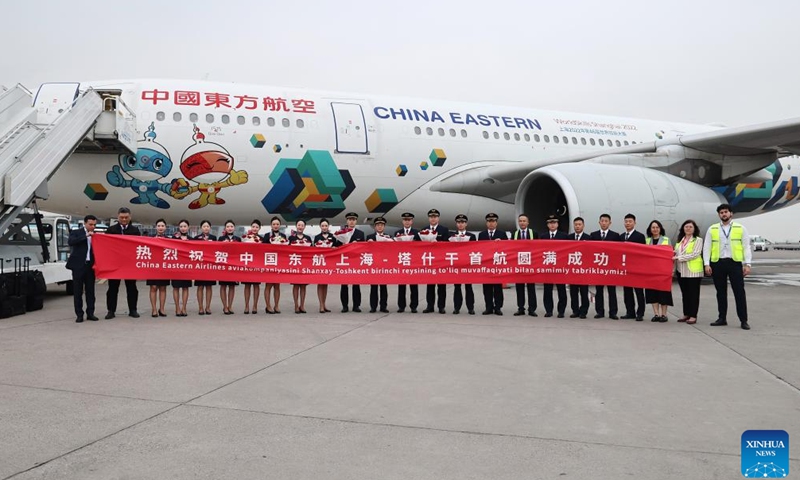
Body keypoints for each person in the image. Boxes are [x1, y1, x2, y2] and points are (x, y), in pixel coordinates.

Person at [703, 203, 752, 330]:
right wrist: (706, 264)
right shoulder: (712, 229)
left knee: (739, 292)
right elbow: (707, 247)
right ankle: (722, 318)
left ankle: (743, 320)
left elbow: (746, 247)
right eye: (721, 212)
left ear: (731, 213)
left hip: (734, 262)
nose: (723, 214)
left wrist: (748, 264)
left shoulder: (741, 228)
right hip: (718, 262)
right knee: (720, 292)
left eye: (725, 212)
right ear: (719, 215)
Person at [104, 207, 140, 319]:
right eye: (121, 217)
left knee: (132, 288)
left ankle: (133, 310)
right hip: (115, 264)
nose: (124, 219)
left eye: (126, 217)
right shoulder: (111, 230)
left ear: (130, 217)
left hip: (129, 264)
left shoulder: (135, 230)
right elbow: (105, 245)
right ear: (118, 217)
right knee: (112, 288)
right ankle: (111, 311)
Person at [67, 214, 99, 323]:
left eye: (94, 225)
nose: (92, 227)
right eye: (90, 224)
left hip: (90, 266)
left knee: (90, 291)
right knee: (78, 291)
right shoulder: (76, 232)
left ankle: (91, 313)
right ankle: (79, 314)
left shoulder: (96, 235)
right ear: (85, 223)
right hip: (78, 266)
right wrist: (85, 236)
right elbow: (71, 242)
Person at [589, 214, 620, 319]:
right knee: (599, 291)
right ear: (599, 222)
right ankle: (600, 312)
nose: (604, 223)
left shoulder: (615, 236)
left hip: (611, 269)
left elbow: (618, 253)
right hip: (598, 268)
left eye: (606, 221)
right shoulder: (593, 235)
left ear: (610, 223)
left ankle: (613, 313)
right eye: (602, 221)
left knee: (612, 291)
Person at [673, 219, 703, 325]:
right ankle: (686, 314)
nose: (688, 228)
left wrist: (678, 257)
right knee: (685, 294)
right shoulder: (680, 240)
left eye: (690, 227)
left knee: (693, 294)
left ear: (694, 229)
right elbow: (675, 252)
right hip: (681, 271)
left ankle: (693, 315)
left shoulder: (698, 240)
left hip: (693, 271)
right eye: (686, 227)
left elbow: (695, 254)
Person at [478, 213, 507, 315]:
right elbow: (478, 250)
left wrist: (501, 243)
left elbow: (507, 249)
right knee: (487, 288)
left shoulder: (502, 234)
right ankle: (488, 307)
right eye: (489, 221)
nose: (491, 223)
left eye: (493, 221)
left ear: (496, 223)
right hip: (486, 265)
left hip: (497, 265)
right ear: (486, 223)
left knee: (498, 288)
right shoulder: (482, 235)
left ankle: (498, 307)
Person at [644, 220, 673, 322]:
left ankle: (664, 314)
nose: (655, 229)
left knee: (663, 293)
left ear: (660, 229)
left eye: (657, 227)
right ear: (650, 229)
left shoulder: (666, 240)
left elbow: (670, 255)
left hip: (662, 271)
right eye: (653, 227)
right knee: (652, 293)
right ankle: (656, 314)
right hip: (651, 271)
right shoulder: (647, 240)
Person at [620, 213, 646, 321]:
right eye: (626, 221)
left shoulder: (640, 236)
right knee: (627, 292)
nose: (628, 223)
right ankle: (630, 312)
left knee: (639, 292)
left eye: (630, 221)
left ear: (635, 223)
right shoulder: (621, 237)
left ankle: (640, 313)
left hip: (636, 269)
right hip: (625, 269)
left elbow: (643, 253)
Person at [423, 209, 449, 314]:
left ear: (438, 218)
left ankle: (441, 306)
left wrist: (438, 243)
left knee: (441, 286)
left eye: (435, 217)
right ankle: (430, 306)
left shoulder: (444, 230)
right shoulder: (424, 230)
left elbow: (448, 244)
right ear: (429, 218)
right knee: (430, 286)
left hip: (441, 262)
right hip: (429, 262)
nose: (433, 218)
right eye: (431, 217)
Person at [542, 214, 568, 318]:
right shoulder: (543, 236)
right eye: (550, 223)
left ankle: (561, 311)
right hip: (547, 267)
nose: (552, 225)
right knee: (547, 291)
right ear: (547, 225)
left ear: (557, 224)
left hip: (560, 268)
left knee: (561, 291)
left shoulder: (564, 236)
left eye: (554, 223)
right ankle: (549, 310)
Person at [512, 213, 538, 317]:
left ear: (528, 222)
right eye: (520, 221)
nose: (522, 223)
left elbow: (539, 249)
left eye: (524, 221)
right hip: (518, 265)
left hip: (530, 265)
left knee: (531, 288)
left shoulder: (534, 233)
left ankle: (532, 309)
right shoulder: (514, 233)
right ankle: (521, 308)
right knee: (519, 288)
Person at [395, 212, 420, 313]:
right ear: (402, 221)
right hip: (402, 262)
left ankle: (414, 306)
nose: (407, 222)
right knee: (401, 286)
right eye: (405, 220)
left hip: (413, 262)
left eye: (409, 220)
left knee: (414, 286)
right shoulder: (397, 233)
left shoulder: (417, 233)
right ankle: (401, 306)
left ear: (412, 221)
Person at [450, 214, 476, 315]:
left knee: (468, 287)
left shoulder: (471, 236)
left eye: (463, 222)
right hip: (456, 264)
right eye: (459, 222)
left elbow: (475, 250)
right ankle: (457, 307)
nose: (461, 224)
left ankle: (470, 308)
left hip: (467, 265)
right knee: (457, 287)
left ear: (466, 224)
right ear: (456, 224)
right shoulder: (451, 236)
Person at [340, 212, 365, 312]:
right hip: (344, 262)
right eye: (350, 219)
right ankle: (345, 306)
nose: (351, 221)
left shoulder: (360, 233)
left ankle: (356, 305)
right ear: (347, 221)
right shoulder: (341, 233)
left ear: (356, 221)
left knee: (356, 285)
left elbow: (364, 248)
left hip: (355, 262)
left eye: (353, 219)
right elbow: (336, 247)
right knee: (344, 285)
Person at [314, 218, 338, 313]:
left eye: (326, 226)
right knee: (320, 284)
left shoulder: (333, 236)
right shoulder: (317, 237)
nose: (324, 227)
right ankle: (321, 305)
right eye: (322, 226)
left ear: (328, 226)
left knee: (326, 284)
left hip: (329, 263)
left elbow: (337, 247)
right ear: (320, 226)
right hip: (320, 263)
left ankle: (324, 304)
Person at [146, 219, 170, 318]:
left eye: (162, 226)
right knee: (153, 287)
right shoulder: (149, 238)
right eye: (159, 225)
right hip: (153, 266)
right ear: (155, 227)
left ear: (165, 227)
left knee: (163, 287)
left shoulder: (169, 239)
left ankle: (162, 308)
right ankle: (154, 309)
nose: (160, 227)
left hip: (164, 266)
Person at [262, 216, 286, 314]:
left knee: (277, 285)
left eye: (277, 224)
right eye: (274, 224)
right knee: (268, 285)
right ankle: (268, 306)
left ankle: (276, 305)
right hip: (269, 262)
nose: (275, 226)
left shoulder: (283, 236)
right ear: (271, 225)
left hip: (279, 263)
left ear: (280, 225)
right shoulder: (267, 236)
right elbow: (262, 250)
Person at [366, 217, 390, 313]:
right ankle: (373, 306)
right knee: (374, 287)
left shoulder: (388, 237)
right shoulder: (369, 237)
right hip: (374, 265)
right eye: (378, 225)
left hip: (384, 264)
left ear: (384, 226)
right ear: (375, 227)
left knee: (383, 287)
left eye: (381, 225)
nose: (380, 227)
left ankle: (383, 306)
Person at [288, 219, 312, 314]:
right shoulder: (291, 238)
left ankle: (302, 305)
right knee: (295, 285)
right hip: (294, 264)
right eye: (299, 225)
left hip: (304, 264)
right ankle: (296, 305)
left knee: (303, 286)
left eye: (302, 225)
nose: (300, 227)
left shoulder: (308, 238)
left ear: (304, 227)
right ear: (296, 226)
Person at [193, 220, 217, 315]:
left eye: (207, 226)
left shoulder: (214, 238)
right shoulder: (196, 238)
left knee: (209, 287)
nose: (206, 228)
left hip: (210, 266)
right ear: (201, 228)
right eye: (204, 226)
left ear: (210, 228)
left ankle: (208, 307)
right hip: (200, 266)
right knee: (200, 287)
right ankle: (200, 307)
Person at [569, 217, 590, 319]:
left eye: (579, 224)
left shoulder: (589, 238)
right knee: (573, 292)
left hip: (584, 271)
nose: (577, 226)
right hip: (572, 270)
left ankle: (583, 311)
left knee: (584, 292)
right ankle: (575, 311)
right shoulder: (569, 238)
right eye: (576, 224)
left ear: (583, 225)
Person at [218, 220, 241, 315]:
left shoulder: (238, 239)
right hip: (223, 265)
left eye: (231, 226)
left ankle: (230, 306)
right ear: (225, 228)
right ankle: (224, 306)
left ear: (234, 228)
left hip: (234, 266)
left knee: (232, 286)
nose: (230, 228)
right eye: (228, 226)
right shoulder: (220, 238)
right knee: (223, 286)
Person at [171, 220, 192, 317]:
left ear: (188, 227)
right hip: (176, 266)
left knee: (185, 288)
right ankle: (177, 308)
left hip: (187, 267)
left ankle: (184, 307)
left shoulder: (192, 239)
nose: (183, 228)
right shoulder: (173, 239)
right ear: (179, 228)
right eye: (181, 226)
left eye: (185, 226)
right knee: (176, 287)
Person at [242, 219, 262, 315]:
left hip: (257, 265)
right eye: (253, 227)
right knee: (247, 285)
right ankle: (246, 306)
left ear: (259, 229)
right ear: (251, 227)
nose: (255, 228)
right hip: (247, 264)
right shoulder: (245, 238)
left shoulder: (262, 239)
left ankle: (255, 305)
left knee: (256, 285)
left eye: (257, 227)